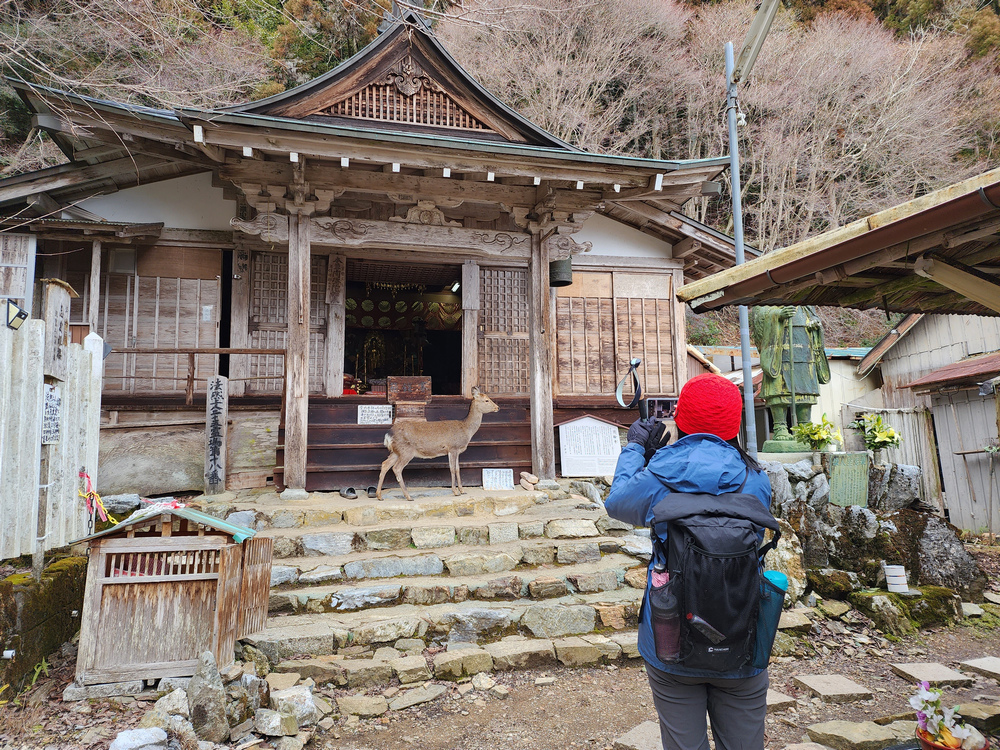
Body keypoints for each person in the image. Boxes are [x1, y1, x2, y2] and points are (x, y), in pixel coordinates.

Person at [605, 373, 773, 750]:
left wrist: (637, 450)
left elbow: (618, 503)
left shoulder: (658, 475)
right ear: (736, 423)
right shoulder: (754, 479)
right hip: (743, 633)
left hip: (671, 635)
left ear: (679, 418)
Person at [750, 305, 830, 444]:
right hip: (779, 352)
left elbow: (814, 317)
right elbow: (759, 315)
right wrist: (777, 314)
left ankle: (805, 426)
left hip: (804, 353)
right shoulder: (769, 296)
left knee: (806, 390)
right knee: (779, 389)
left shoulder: (805, 303)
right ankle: (780, 426)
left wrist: (815, 324)